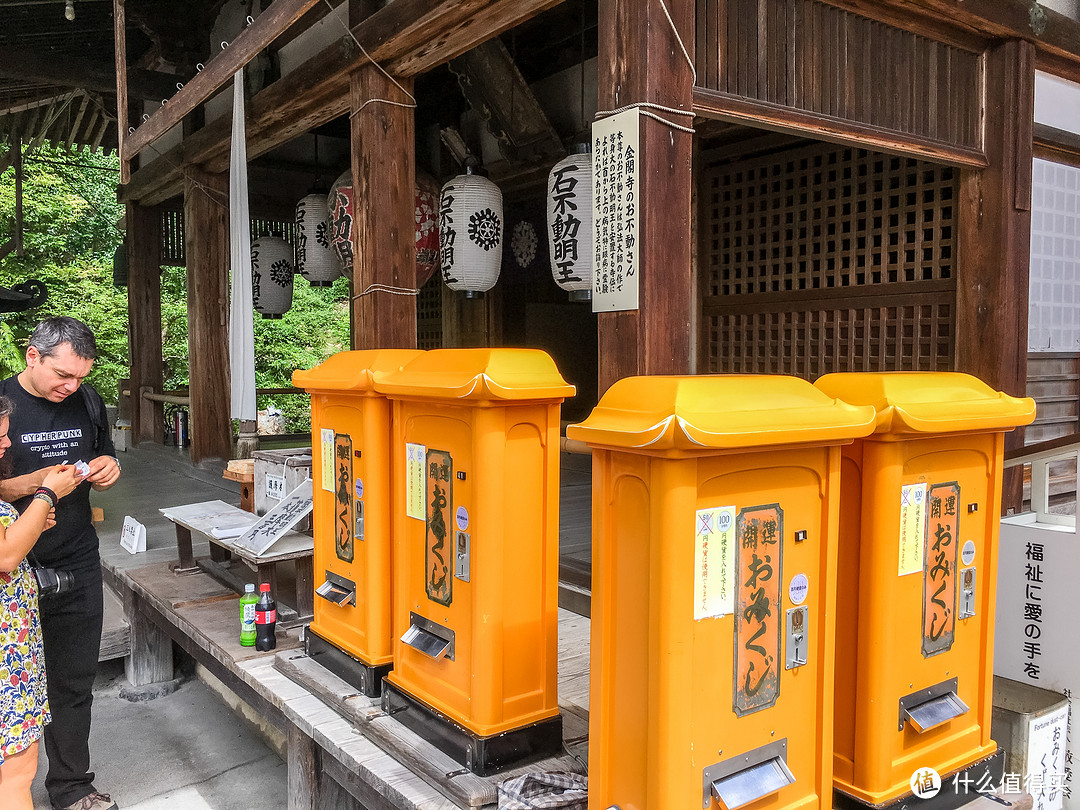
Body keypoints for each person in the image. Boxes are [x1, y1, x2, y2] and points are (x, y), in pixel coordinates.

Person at [0, 317, 122, 810]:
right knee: (13, 694)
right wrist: (37, 486)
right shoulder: (3, 408)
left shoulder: (88, 401)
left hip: (76, 556)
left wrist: (108, 468)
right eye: (63, 376)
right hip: (13, 574)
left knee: (73, 678)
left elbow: (105, 454)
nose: (71, 387)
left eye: (81, 378)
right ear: (33, 356)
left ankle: (72, 787)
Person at [0, 396, 81, 810]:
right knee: (16, 770)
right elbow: (5, 556)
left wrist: (29, 510)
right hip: (6, 649)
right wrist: (48, 494)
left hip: (14, 638)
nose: (6, 444)